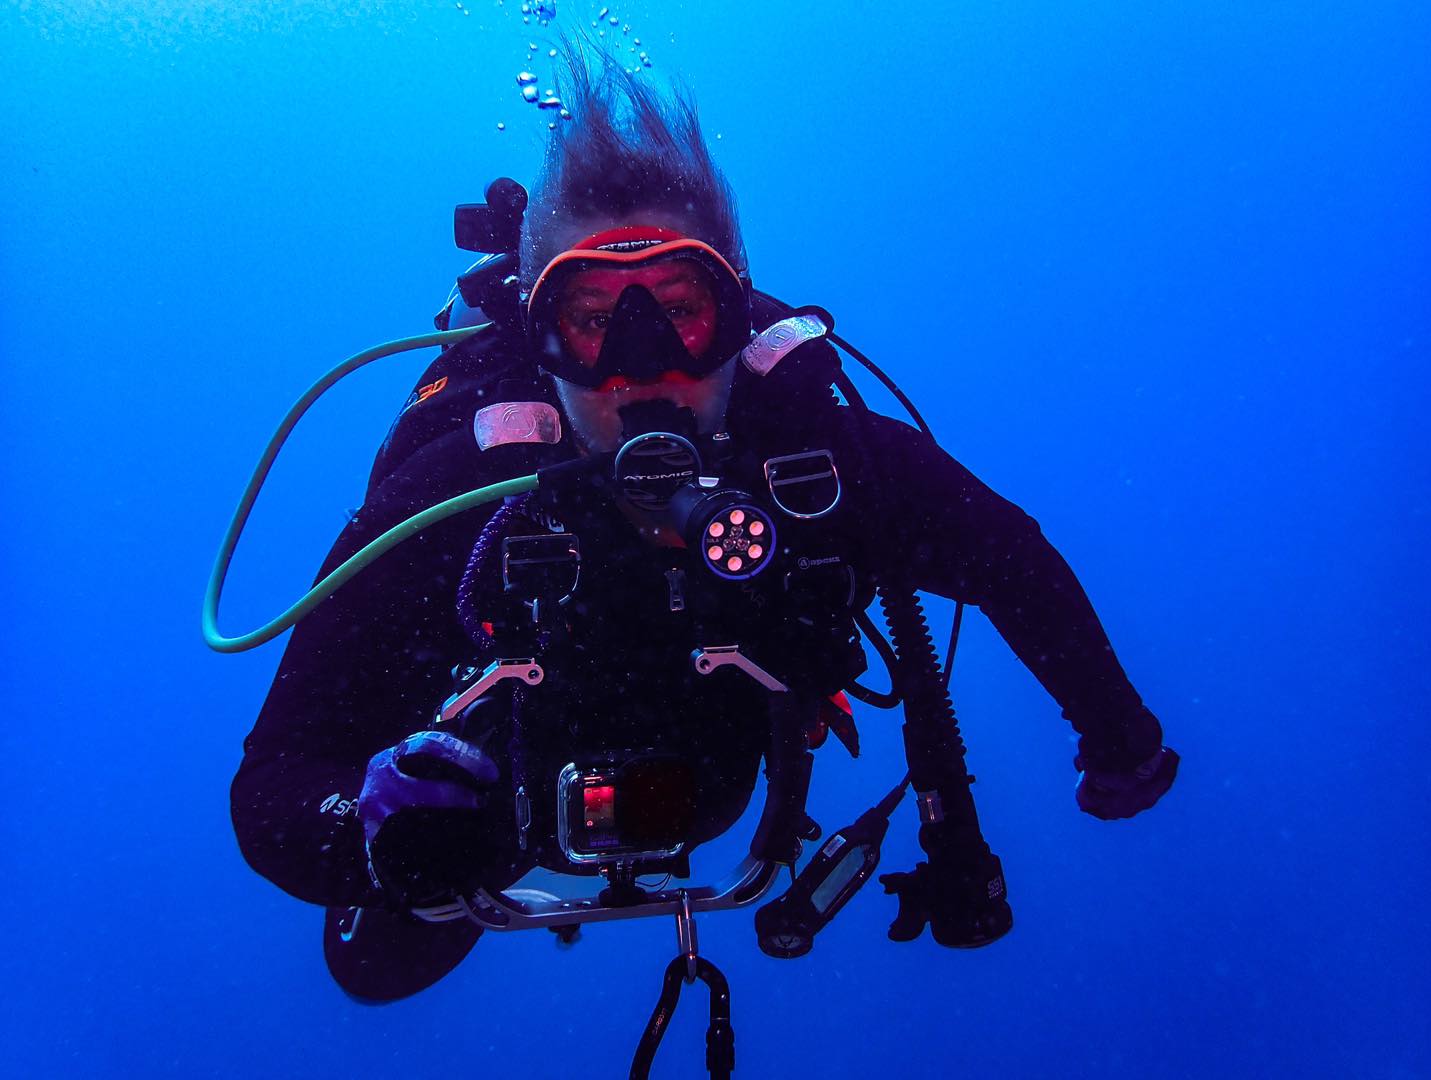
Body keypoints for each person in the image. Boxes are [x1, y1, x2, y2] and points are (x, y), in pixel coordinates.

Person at [230, 49, 1178, 1004]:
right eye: (591, 320)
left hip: (723, 769)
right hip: (506, 789)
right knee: (375, 966)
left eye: (681, 310)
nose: (640, 367)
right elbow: (271, 779)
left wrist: (1116, 732)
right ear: (537, 333)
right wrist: (369, 833)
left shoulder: (821, 455)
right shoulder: (460, 497)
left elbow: (1009, 557)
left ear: (736, 309)